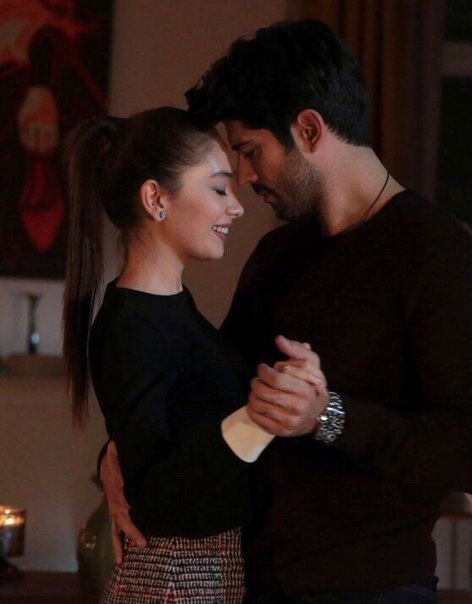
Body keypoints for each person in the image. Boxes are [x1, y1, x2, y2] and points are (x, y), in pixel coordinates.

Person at [101, 19, 472, 603]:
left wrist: (328, 415)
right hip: (250, 582)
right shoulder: (278, 254)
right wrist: (121, 453)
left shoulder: (443, 259)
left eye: (250, 151)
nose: (244, 178)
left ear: (309, 130)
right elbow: (205, 396)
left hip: (369, 590)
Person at [63, 106, 328, 603]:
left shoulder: (170, 309)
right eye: (219, 189)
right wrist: (262, 417)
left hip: (207, 576)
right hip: (175, 582)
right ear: (155, 198)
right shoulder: (132, 325)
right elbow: (157, 500)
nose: (236, 207)